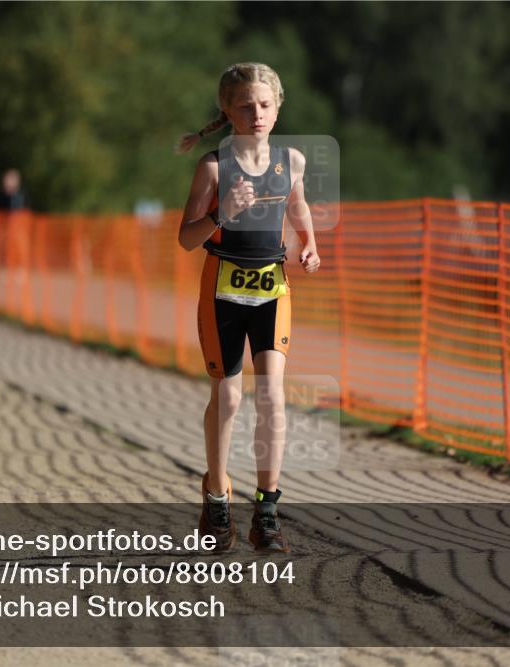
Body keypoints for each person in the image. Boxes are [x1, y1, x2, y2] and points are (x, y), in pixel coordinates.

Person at [176, 63, 320, 553]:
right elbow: (186, 239)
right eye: (245, 105)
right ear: (227, 111)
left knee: (273, 397)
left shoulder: (292, 161)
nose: (256, 113)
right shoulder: (214, 167)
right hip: (222, 289)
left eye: (264, 104)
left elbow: (297, 206)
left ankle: (267, 511)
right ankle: (217, 497)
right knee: (231, 398)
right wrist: (222, 213)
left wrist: (309, 243)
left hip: (271, 289)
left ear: (278, 108)